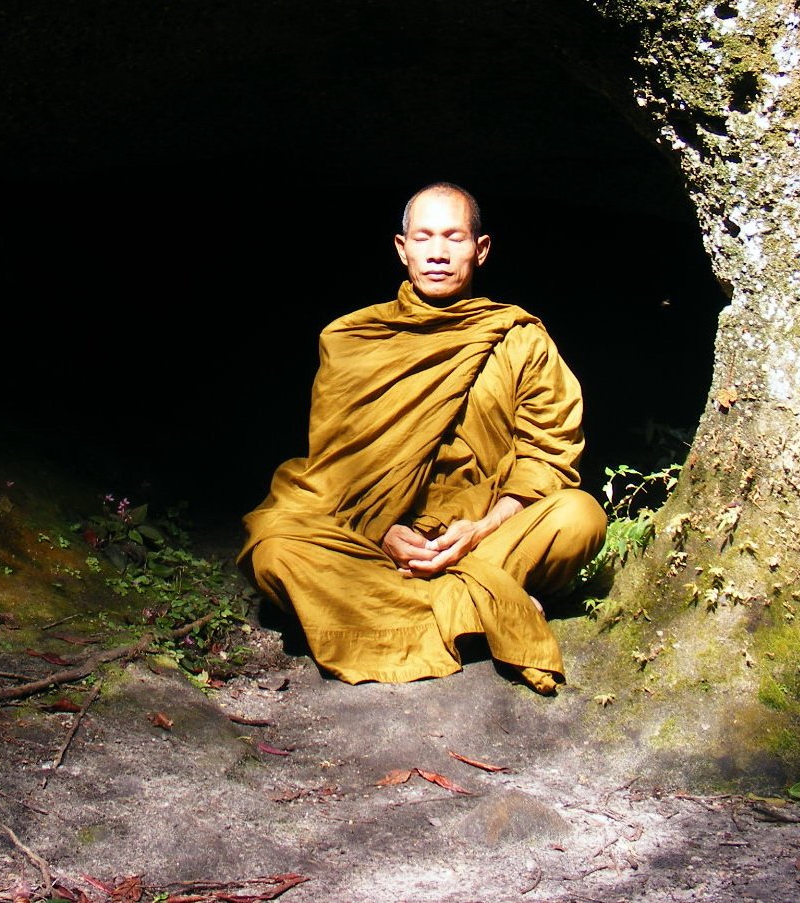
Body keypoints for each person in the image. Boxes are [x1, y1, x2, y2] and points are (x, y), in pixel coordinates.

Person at [238, 182, 606, 695]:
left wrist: (479, 529)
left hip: (483, 534)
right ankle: (486, 606)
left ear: (480, 250)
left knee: (577, 516)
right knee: (277, 548)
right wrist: (382, 530)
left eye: (454, 238)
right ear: (401, 248)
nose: (438, 253)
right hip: (378, 540)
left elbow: (548, 454)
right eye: (424, 237)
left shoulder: (521, 339)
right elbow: (335, 467)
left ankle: (422, 610)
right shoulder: (351, 339)